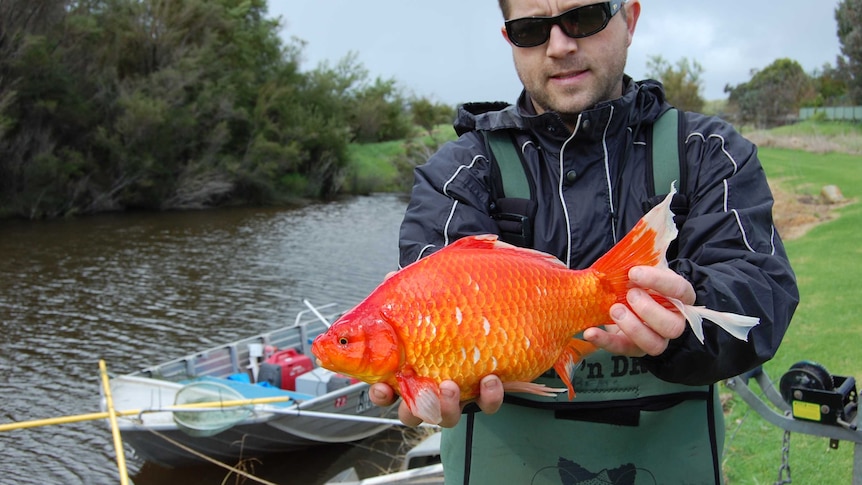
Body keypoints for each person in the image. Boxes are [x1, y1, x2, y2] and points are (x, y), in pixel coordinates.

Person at [370, 1, 799, 484]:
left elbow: (762, 293)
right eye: (531, 29)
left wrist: (689, 310)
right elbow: (430, 292)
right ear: (509, 37)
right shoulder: (457, 174)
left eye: (585, 17)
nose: (559, 46)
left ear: (630, 19)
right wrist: (429, 379)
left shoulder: (707, 151)